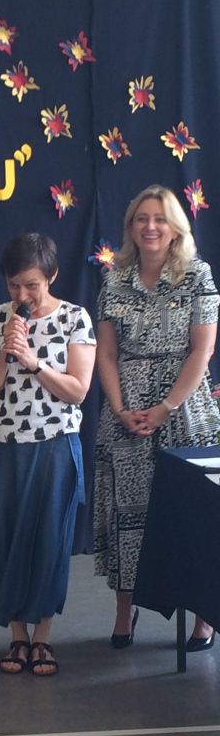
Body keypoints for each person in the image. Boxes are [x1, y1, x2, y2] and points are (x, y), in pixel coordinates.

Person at [93, 185, 220, 650]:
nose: (150, 227)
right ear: (131, 227)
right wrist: (120, 408)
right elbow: (106, 353)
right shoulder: (114, 280)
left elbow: (202, 351)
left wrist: (165, 407)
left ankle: (204, 617)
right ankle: (125, 612)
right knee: (128, 516)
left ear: (175, 228)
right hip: (125, 414)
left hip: (185, 411)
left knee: (195, 516)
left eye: (160, 218)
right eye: (141, 218)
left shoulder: (198, 275)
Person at [0, 233, 96, 675]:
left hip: (54, 443)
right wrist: (7, 351)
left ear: (51, 276)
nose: (22, 295)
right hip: (0, 446)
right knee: (4, 538)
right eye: (14, 285)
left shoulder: (75, 319)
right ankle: (17, 636)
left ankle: (43, 638)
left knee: (49, 541)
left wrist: (34, 361)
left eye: (32, 285)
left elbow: (77, 391)